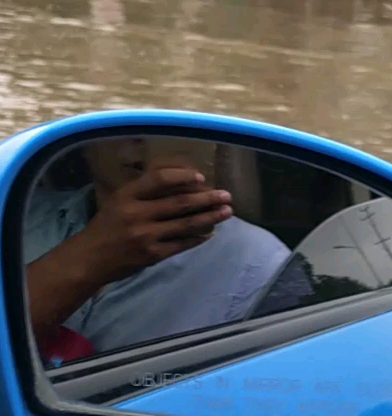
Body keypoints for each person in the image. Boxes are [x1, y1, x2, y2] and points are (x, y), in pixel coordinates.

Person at [24, 137, 290, 361]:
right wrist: (91, 255)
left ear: (213, 147)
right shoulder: (13, 216)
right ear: (83, 140)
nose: (139, 140)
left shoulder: (262, 263)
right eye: (119, 120)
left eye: (168, 128)